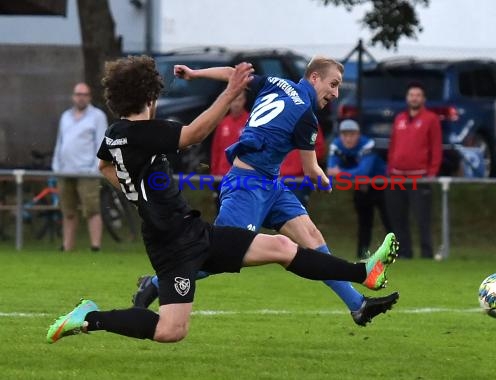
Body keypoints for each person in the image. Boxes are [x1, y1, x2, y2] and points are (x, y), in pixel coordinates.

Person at [46, 55, 399, 344]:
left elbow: (103, 164)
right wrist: (229, 93)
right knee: (175, 326)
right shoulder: (147, 133)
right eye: (333, 85)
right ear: (150, 98)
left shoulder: (116, 134)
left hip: (185, 232)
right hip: (184, 237)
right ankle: (130, 295)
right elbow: (194, 133)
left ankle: (361, 281)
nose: (335, 92)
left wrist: (133, 192)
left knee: (283, 248)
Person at [386, 82, 442, 259]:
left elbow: (436, 147)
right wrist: (390, 168)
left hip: (420, 176)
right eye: (411, 95)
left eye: (418, 95)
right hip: (396, 176)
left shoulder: (430, 119)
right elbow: (393, 145)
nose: (414, 98)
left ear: (423, 99)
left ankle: (427, 253)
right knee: (398, 218)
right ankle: (404, 253)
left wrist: (432, 172)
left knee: (422, 218)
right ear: (407, 98)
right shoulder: (400, 118)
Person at [51, 82, 107, 252]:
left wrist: (95, 168)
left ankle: (95, 246)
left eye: (84, 94)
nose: (80, 97)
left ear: (89, 97)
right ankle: (67, 246)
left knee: (91, 209)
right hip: (65, 170)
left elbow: (100, 143)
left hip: (87, 172)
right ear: (73, 96)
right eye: (78, 94)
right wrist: (56, 165)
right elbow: (60, 142)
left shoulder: (97, 116)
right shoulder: (65, 116)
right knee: (68, 210)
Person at [327, 119, 392, 259]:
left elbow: (363, 172)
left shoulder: (367, 143)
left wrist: (341, 173)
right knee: (364, 223)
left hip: (382, 185)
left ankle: (396, 252)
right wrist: (345, 173)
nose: (348, 138)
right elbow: (330, 169)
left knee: (389, 220)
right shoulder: (337, 144)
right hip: (362, 187)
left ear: (358, 134)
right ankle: (362, 254)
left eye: (352, 134)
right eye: (345, 135)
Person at [210, 90, 249, 210]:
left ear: (245, 100)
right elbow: (216, 150)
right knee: (221, 210)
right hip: (223, 176)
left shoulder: (251, 121)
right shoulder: (223, 123)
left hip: (243, 177)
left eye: (239, 99)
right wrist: (214, 174)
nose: (236, 104)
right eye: (234, 100)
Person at [280, 125, 326, 208]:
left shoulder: (310, 121)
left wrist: (304, 161)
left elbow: (320, 149)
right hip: (277, 179)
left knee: (295, 212)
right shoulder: (274, 120)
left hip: (301, 181)